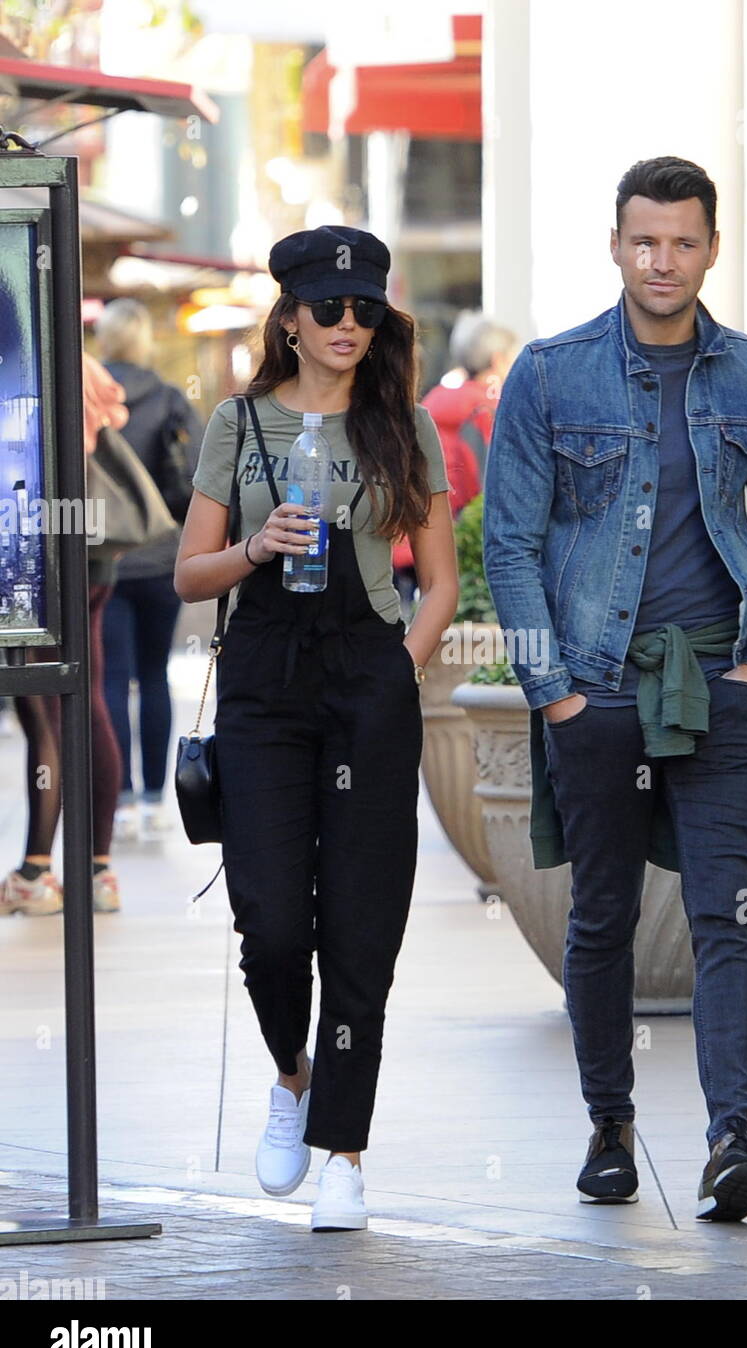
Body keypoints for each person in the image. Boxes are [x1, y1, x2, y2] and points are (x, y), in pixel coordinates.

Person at [482, 156, 747, 1222]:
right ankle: (610, 1125)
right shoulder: (549, 372)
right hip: (597, 685)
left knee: (728, 914)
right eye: (644, 240)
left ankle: (732, 1141)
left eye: (682, 240)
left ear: (711, 247)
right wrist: (552, 691)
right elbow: (510, 542)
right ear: (616, 244)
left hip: (724, 685)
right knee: (604, 918)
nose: (661, 259)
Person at [175, 225, 458, 1232]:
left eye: (365, 309)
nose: (348, 324)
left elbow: (441, 576)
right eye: (329, 307)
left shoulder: (401, 424)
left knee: (360, 926)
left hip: (366, 684)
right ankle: (291, 1077)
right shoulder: (239, 424)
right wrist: (256, 544)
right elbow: (188, 573)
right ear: (289, 317)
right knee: (271, 923)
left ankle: (345, 1151)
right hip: (264, 686)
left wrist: (399, 668)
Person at [0, 353, 127, 916]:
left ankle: (37, 871)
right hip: (90, 549)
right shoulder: (81, 360)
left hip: (37, 549)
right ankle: (97, 870)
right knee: (87, 700)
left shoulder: (19, 359)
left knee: (42, 708)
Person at [95, 298, 203, 842]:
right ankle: (157, 799)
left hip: (105, 556)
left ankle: (119, 796)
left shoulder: (88, 397)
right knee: (155, 674)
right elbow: (201, 474)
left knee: (111, 676)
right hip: (163, 555)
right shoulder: (168, 399)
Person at [391, 315, 517, 610]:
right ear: (498, 361)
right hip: (454, 545)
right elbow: (490, 488)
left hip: (407, 539)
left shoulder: (435, 399)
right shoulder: (488, 409)